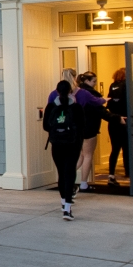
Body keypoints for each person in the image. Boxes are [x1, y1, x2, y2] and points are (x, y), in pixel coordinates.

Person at [41, 79, 83, 219]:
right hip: (73, 144)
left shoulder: (51, 107)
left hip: (57, 144)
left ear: (57, 92)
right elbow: (82, 126)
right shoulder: (76, 107)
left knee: (61, 173)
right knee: (70, 173)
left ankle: (63, 201)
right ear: (71, 91)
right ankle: (67, 208)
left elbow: (46, 126)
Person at [73, 71, 109, 193]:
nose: (95, 83)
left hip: (77, 128)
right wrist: (115, 118)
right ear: (87, 81)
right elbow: (100, 109)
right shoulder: (89, 93)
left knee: (81, 155)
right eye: (94, 81)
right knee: (87, 155)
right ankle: (83, 183)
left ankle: (67, 177)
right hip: (89, 127)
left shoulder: (75, 92)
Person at [105, 68, 128, 183]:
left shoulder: (112, 86)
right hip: (125, 119)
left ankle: (111, 173)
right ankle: (128, 171)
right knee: (126, 148)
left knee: (115, 149)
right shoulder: (127, 85)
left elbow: (109, 103)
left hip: (113, 121)